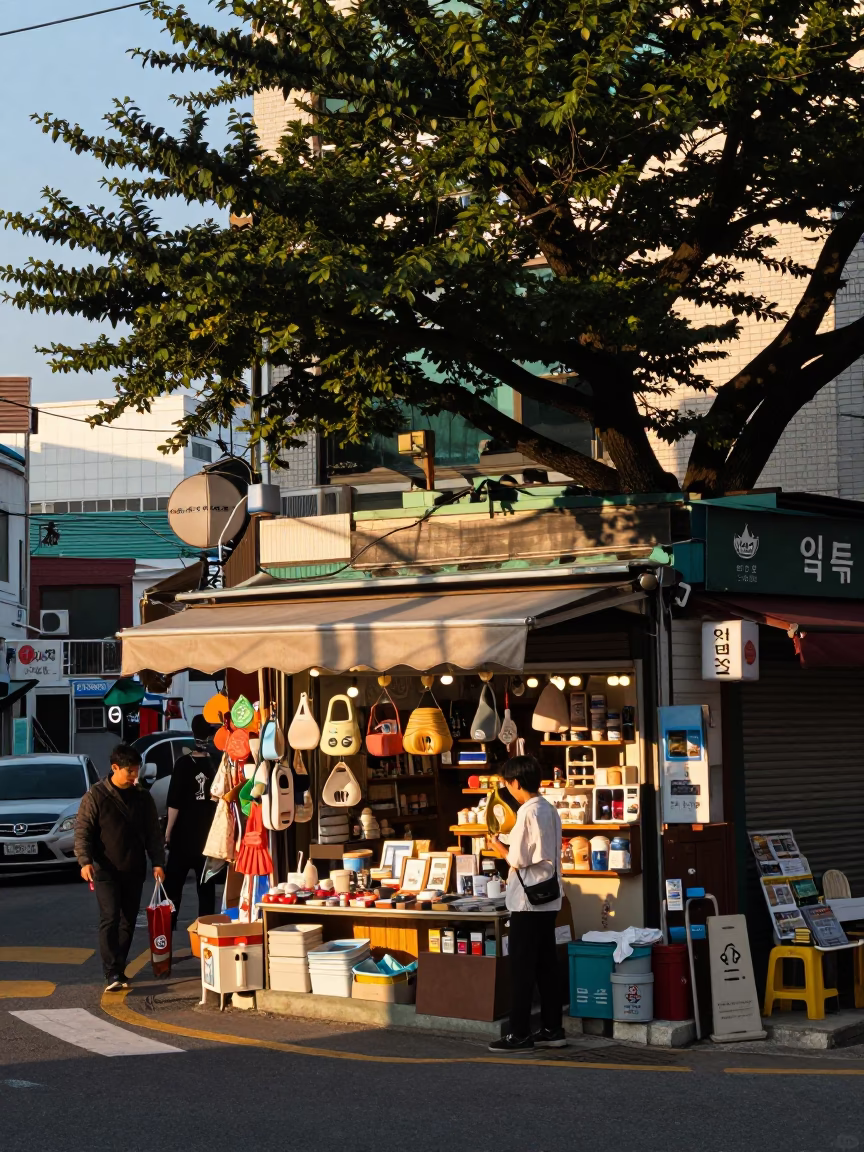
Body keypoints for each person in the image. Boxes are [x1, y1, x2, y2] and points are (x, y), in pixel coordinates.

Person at [485, 754, 566, 1053]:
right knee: (546, 966)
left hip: (528, 902)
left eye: (508, 782)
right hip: (550, 897)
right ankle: (552, 1028)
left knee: (521, 968)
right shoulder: (549, 809)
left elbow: (518, 859)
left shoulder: (527, 812)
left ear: (516, 782)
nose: (508, 787)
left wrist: (496, 845)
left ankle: (519, 1033)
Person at [75, 743, 165, 991]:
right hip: (105, 870)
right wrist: (85, 861)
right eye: (130, 771)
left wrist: (157, 862)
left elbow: (153, 833)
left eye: (137, 770)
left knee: (127, 921)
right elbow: (82, 831)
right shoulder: (95, 796)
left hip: (134, 868)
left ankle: (119, 968)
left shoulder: (143, 797)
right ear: (115, 768)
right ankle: (111, 972)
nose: (135, 776)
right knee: (110, 917)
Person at [163, 713, 218, 930]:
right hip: (209, 837)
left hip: (183, 838)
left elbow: (174, 802)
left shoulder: (183, 763)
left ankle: (166, 931)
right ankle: (206, 933)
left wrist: (167, 831)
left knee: (173, 887)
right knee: (206, 889)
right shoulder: (217, 763)